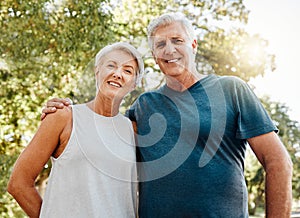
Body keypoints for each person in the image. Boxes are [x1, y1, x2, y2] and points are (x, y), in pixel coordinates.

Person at [41, 12, 293, 217]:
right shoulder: (143, 106)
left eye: (177, 40)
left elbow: (277, 161)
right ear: (154, 56)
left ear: (193, 45)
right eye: (160, 44)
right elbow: (100, 129)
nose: (169, 49)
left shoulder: (231, 89)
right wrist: (64, 111)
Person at [7, 42, 144, 218]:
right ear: (97, 71)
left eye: (128, 70)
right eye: (111, 65)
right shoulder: (64, 117)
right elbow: (18, 184)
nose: (118, 74)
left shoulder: (133, 130)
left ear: (133, 84)